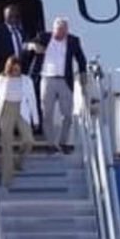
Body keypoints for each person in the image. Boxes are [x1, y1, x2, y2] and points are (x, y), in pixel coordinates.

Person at [25, 16, 88, 152]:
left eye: (63, 31)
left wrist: (83, 75)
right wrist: (33, 46)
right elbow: (26, 45)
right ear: (53, 29)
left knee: (67, 114)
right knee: (47, 113)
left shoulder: (73, 41)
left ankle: (63, 142)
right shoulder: (43, 37)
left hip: (65, 80)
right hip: (47, 79)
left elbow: (81, 59)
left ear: (67, 30)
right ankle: (50, 144)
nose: (60, 34)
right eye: (58, 31)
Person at [0, 56, 38, 188]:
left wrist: (35, 119)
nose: (16, 71)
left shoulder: (26, 80)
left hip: (21, 110)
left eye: (18, 68)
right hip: (5, 110)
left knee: (29, 140)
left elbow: (32, 100)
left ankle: (18, 161)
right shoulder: (1, 79)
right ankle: (6, 179)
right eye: (13, 68)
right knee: (7, 145)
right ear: (8, 68)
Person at [0, 4, 30, 82]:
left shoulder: (23, 33)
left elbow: (27, 52)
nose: (13, 19)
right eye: (10, 16)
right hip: (6, 74)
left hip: (22, 73)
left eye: (16, 16)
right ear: (5, 17)